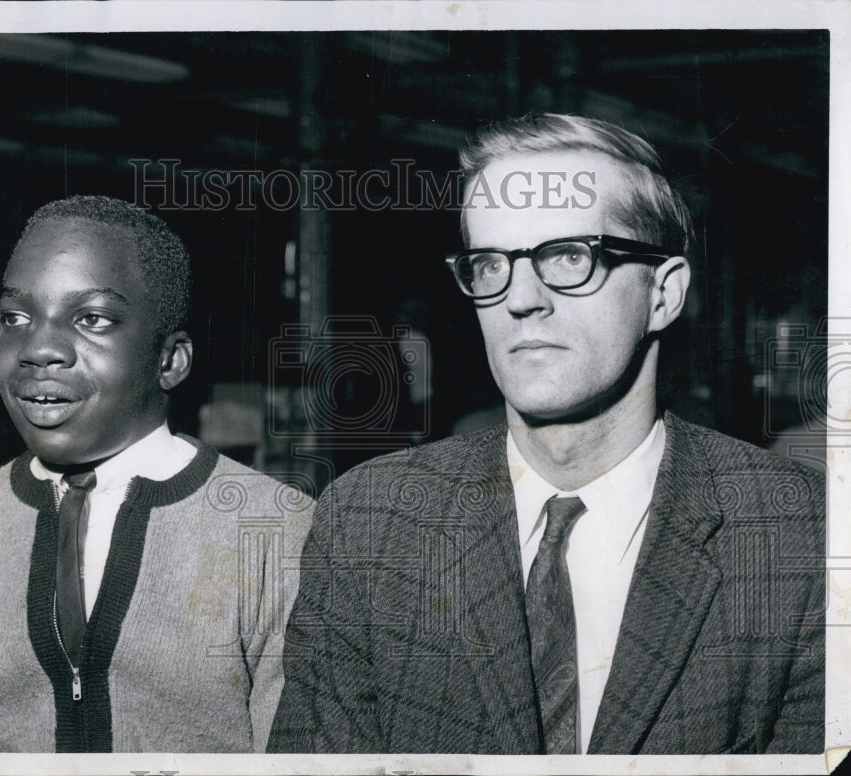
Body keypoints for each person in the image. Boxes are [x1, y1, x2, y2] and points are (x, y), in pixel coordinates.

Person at [268, 114, 825, 754]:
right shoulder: (369, 521)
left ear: (664, 295)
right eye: (489, 263)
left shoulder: (800, 535)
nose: (521, 299)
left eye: (568, 256)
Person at [0, 195, 313, 752]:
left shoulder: (278, 533)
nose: (39, 348)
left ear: (170, 360)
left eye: (92, 319)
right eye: (15, 318)